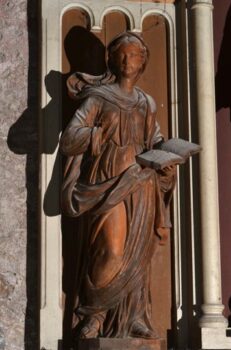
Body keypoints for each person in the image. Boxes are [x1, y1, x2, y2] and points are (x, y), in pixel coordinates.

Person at [60, 32, 176, 339]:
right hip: (107, 183)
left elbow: (154, 140)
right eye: (122, 55)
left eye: (135, 55)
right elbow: (70, 139)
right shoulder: (98, 98)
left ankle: (134, 316)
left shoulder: (147, 103)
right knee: (110, 249)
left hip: (141, 184)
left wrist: (168, 153)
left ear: (143, 62)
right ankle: (94, 315)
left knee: (138, 253)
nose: (128, 60)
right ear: (112, 59)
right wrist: (96, 136)